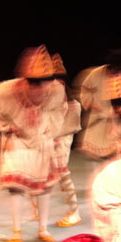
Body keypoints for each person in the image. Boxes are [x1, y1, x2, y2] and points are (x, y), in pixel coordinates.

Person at [0, 45, 68, 242]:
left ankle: (43, 229)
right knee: (15, 186)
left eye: (42, 82)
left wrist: (51, 130)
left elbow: (61, 110)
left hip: (41, 140)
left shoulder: (56, 90)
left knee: (44, 188)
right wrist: (6, 127)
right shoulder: (7, 90)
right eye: (33, 82)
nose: (38, 87)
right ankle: (16, 231)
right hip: (17, 141)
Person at [75, 47, 121, 160]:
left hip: (116, 116)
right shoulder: (96, 73)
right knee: (97, 149)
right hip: (99, 112)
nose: (117, 70)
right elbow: (84, 90)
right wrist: (92, 104)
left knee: (118, 149)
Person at [50, 53, 83, 228]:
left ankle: (74, 211)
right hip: (48, 139)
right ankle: (37, 210)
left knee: (63, 175)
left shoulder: (73, 104)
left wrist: (54, 139)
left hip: (61, 140)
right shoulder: (48, 100)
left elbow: (69, 129)